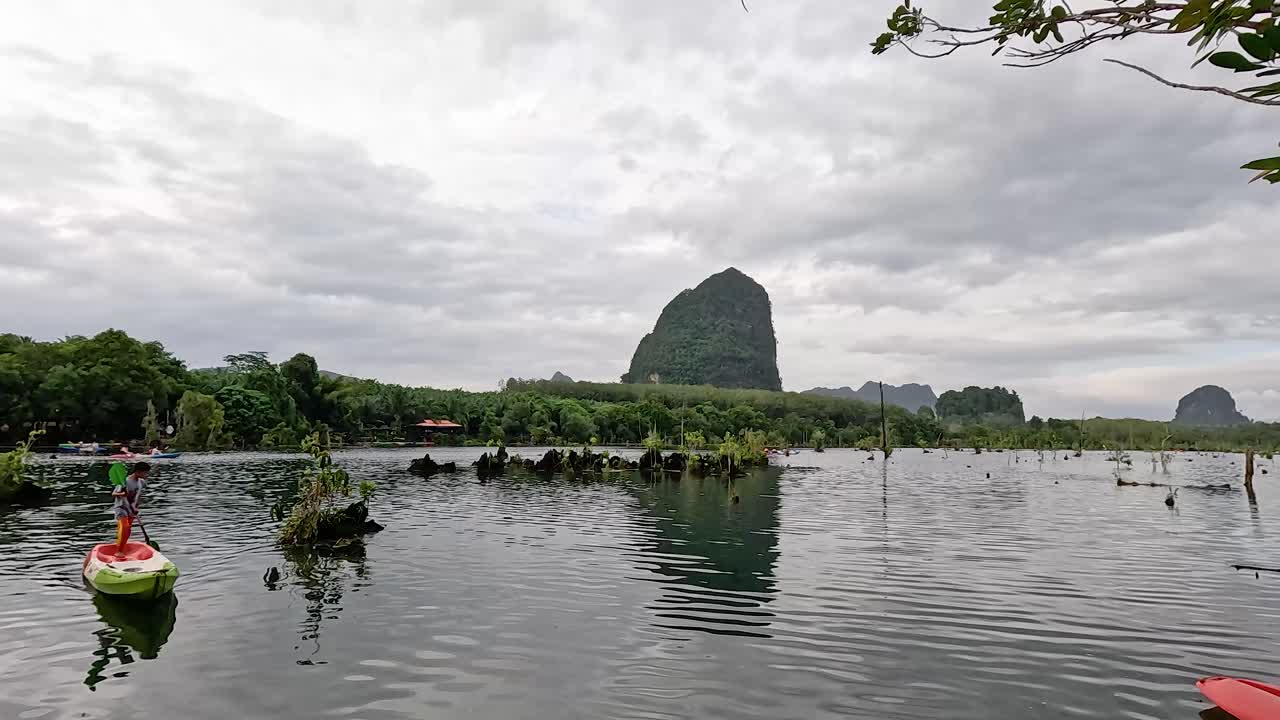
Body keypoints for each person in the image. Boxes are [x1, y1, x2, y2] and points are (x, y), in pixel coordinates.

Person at [112, 462, 150, 557]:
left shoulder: (141, 482)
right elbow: (114, 493)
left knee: (128, 530)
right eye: (145, 473)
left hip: (131, 509)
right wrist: (122, 494)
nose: (147, 475)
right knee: (124, 527)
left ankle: (122, 546)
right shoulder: (125, 481)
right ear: (138, 472)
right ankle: (119, 551)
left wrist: (136, 507)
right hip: (121, 508)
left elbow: (139, 495)